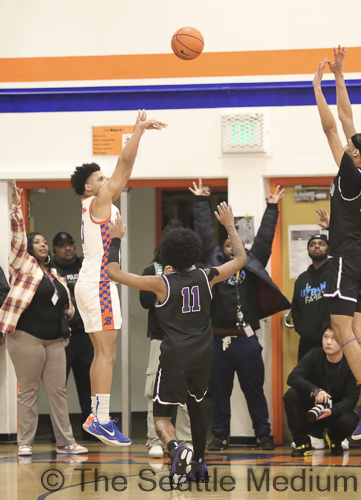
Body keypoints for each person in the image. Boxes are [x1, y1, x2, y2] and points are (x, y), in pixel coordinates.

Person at [106, 203, 246, 488]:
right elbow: (241, 258)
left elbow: (114, 273)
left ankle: (175, 449)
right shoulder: (207, 276)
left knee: (161, 419)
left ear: (166, 254)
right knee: (196, 410)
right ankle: (199, 464)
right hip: (203, 356)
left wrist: (116, 237)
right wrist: (229, 225)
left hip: (173, 357)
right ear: (194, 253)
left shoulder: (161, 283)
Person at [70, 110, 167, 446]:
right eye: (99, 178)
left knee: (103, 353)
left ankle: (98, 416)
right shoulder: (98, 201)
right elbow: (124, 169)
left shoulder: (99, 210)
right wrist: (137, 132)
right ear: (89, 187)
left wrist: (119, 238)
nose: (106, 179)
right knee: (106, 354)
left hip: (91, 281)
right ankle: (100, 418)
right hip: (98, 283)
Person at [313, 45, 361, 440]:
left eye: (350, 146)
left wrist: (317, 88)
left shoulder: (350, 174)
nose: (346, 145)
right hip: (357, 253)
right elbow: (348, 121)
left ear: (355, 154)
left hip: (345, 259)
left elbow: (333, 126)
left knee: (342, 333)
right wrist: (341, 75)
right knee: (357, 333)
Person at [191, 180, 290, 451]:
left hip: (246, 340)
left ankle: (264, 435)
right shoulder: (213, 267)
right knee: (219, 393)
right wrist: (201, 202)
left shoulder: (251, 263)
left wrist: (272, 207)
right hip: (218, 342)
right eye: (224, 244)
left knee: (254, 390)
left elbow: (265, 240)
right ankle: (220, 436)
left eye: (233, 244)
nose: (228, 247)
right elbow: (203, 236)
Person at [0, 181, 88, 456]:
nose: (41, 245)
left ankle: (66, 443)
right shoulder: (22, 267)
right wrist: (16, 208)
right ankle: (25, 442)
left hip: (55, 340)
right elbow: (17, 237)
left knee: (58, 393)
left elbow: (66, 303)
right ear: (27, 249)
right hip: (27, 337)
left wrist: (70, 308)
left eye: (43, 242)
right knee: (28, 391)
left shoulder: (55, 274)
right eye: (35, 242)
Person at [139, 220, 192, 459]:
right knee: (154, 390)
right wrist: (163, 283)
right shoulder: (151, 270)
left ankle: (185, 439)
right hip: (160, 338)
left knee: (185, 391)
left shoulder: (193, 270)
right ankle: (155, 439)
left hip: (186, 340)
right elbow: (144, 302)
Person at [284, 324, 359, 457]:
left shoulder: (351, 362)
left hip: (334, 412)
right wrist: (315, 391)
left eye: (334, 338)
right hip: (312, 410)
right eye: (325, 337)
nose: (328, 342)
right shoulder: (315, 354)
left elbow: (351, 398)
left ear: (343, 342)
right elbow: (292, 377)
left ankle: (334, 439)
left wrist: (332, 410)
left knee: (351, 419)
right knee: (291, 394)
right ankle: (302, 443)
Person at [52, 231, 95, 440]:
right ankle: (59, 433)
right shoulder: (52, 270)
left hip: (85, 335)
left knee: (88, 386)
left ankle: (90, 430)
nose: (67, 248)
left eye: (70, 244)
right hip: (62, 337)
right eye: (62, 245)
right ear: (55, 250)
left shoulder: (84, 266)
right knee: (58, 387)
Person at [292, 234, 330, 361]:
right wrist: (301, 329)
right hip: (306, 342)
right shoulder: (302, 279)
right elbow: (295, 307)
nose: (316, 246)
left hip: (332, 340)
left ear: (328, 248)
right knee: (303, 379)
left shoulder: (335, 274)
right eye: (312, 244)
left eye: (321, 244)